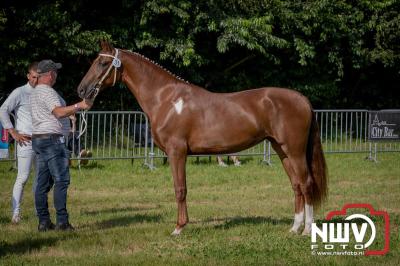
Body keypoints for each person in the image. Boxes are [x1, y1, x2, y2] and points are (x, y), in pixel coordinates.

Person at [30, 59, 92, 231]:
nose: (56, 75)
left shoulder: (35, 92)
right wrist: (80, 105)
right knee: (61, 180)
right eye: (55, 72)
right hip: (52, 141)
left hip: (40, 140)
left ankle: (43, 222)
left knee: (42, 184)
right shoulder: (48, 91)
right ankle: (62, 222)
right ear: (50, 74)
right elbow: (57, 112)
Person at [0, 62, 39, 224]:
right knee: (22, 178)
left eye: (39, 77)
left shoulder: (44, 92)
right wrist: (12, 132)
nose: (36, 80)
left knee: (40, 179)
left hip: (42, 141)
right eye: (34, 77)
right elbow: (3, 109)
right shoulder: (20, 92)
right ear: (28, 76)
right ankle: (16, 213)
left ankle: (40, 213)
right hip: (26, 141)